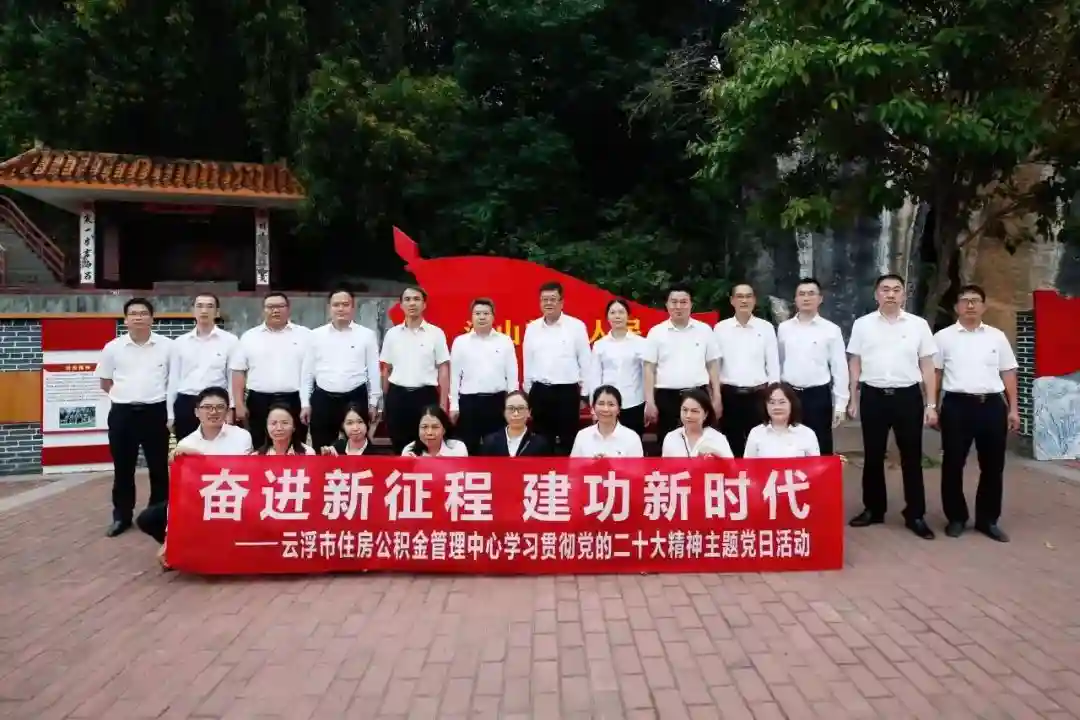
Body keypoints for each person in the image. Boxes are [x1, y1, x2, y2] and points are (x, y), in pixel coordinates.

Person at [847, 273, 938, 540]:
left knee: (912, 456)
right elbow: (855, 362)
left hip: (907, 397)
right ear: (876, 294)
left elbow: (928, 366)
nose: (890, 294)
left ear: (904, 295)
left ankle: (915, 514)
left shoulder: (918, 325)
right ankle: (873, 509)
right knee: (873, 455)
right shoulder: (863, 325)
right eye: (885, 289)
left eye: (896, 289)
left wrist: (931, 404)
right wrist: (853, 397)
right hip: (873, 396)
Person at [933, 284, 1019, 542]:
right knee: (953, 463)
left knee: (993, 466)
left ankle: (987, 520)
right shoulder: (943, 337)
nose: (970, 305)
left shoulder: (997, 337)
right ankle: (956, 517)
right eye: (965, 300)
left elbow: (1008, 373)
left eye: (975, 300)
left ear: (984, 306)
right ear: (956, 307)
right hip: (956, 406)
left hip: (991, 406)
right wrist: (932, 406)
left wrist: (1013, 409)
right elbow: (935, 374)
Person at [138, 386, 252, 568]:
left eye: (219, 407)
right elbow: (180, 492)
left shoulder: (241, 436)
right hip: (197, 501)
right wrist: (169, 539)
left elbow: (238, 472)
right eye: (207, 407)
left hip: (233, 499)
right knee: (148, 518)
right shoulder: (186, 443)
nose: (213, 412)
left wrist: (199, 457)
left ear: (227, 411)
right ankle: (180, 548)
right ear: (197, 412)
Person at [95, 297, 173, 538]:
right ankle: (122, 516)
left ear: (152, 318)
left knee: (158, 468)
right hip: (123, 414)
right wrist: (125, 396)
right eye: (133, 314)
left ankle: (157, 514)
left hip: (156, 412)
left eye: (143, 313)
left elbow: (173, 380)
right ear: (125, 319)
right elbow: (105, 382)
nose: (138, 317)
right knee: (123, 468)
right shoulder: (113, 348)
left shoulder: (168, 347)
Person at [301, 289, 382, 451]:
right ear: (329, 307)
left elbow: (374, 371)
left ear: (353, 307)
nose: (341, 309)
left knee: (358, 445)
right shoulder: (315, 335)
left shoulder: (366, 335)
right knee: (322, 447)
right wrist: (305, 403)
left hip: (355, 396)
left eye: (345, 304)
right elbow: (307, 372)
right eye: (336, 305)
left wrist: (374, 403)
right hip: (323, 397)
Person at [776, 277, 848, 454]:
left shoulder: (831, 330)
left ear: (820, 298)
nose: (806, 298)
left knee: (820, 444)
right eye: (801, 294)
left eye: (811, 293)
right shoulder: (784, 328)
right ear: (795, 299)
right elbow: (778, 361)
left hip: (818, 396)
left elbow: (839, 368)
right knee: (788, 445)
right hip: (789, 394)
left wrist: (840, 404)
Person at [232, 292, 310, 448]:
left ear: (288, 309)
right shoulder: (249, 337)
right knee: (260, 444)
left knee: (296, 445)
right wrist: (238, 404)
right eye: (270, 307)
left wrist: (307, 403)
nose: (275, 310)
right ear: (263, 310)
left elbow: (311, 371)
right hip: (259, 400)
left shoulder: (305, 335)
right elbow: (238, 371)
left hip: (294, 399)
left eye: (280, 306)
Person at [644, 286, 722, 443]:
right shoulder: (656, 332)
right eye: (674, 302)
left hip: (698, 395)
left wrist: (717, 396)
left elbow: (712, 365)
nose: (678, 306)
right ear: (667, 305)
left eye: (683, 302)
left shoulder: (704, 330)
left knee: (701, 441)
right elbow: (649, 369)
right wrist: (649, 401)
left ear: (691, 304)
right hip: (667, 397)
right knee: (668, 442)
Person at [523, 282, 592, 455]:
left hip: (566, 393)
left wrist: (584, 394)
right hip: (540, 392)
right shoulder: (532, 328)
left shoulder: (576, 326)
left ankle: (568, 472)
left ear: (561, 302)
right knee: (541, 442)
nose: (548, 303)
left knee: (569, 440)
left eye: (553, 299)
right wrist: (529, 392)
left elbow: (585, 362)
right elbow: (528, 362)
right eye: (544, 299)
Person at [381, 286, 450, 454]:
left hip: (425, 396)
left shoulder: (436, 333)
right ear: (401, 305)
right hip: (397, 396)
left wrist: (443, 404)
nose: (412, 303)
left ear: (424, 304)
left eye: (417, 299)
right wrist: (384, 400)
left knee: (426, 445)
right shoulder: (392, 334)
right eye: (407, 299)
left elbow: (443, 369)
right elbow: (386, 370)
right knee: (399, 446)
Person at [713, 283, 779, 457]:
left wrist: (773, 397)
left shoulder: (766, 328)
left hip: (758, 395)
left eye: (748, 296)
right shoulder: (720, 329)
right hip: (730, 396)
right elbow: (715, 366)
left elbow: (773, 365)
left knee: (760, 445)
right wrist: (716, 396)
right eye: (740, 296)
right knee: (731, 445)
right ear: (732, 301)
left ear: (754, 300)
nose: (744, 300)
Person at [450, 298, 518, 453]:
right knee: (468, 447)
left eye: (486, 313)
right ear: (471, 317)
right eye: (478, 313)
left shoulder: (504, 341)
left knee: (497, 447)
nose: (482, 317)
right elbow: (455, 376)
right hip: (469, 403)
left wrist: (513, 404)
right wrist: (454, 405)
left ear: (493, 317)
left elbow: (512, 375)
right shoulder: (460, 342)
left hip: (497, 402)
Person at [167, 293, 238, 441]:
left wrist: (231, 409)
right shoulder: (179, 342)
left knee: (218, 448)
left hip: (216, 403)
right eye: (199, 306)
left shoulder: (230, 341)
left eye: (209, 306)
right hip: (186, 403)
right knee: (187, 449)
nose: (204, 310)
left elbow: (232, 378)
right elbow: (173, 379)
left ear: (217, 312)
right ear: (193, 311)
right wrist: (170, 414)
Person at [587, 298, 649, 437]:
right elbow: (595, 377)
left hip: (634, 403)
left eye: (621, 312)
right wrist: (594, 407)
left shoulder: (641, 343)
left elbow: (647, 376)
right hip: (607, 406)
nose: (617, 316)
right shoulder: (600, 345)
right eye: (613, 312)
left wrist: (648, 404)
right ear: (607, 317)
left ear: (628, 316)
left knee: (633, 442)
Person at [744, 382, 821, 458]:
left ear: (792, 404)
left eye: (782, 402)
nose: (777, 407)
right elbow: (747, 464)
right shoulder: (756, 433)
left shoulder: (807, 434)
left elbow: (815, 465)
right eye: (772, 402)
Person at [570, 385, 644, 458]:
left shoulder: (632, 437)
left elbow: (637, 466)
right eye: (601, 404)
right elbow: (573, 465)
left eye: (611, 405)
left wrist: (610, 463)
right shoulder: (582, 435)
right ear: (593, 407)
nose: (605, 409)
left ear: (619, 409)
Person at [660, 388, 734, 458]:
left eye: (694, 411)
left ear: (705, 414)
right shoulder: (671, 437)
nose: (688, 415)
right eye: (685, 410)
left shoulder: (717, 438)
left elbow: (731, 466)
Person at [478, 390, 552, 457]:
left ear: (529, 412)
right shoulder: (490, 442)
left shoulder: (540, 444)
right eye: (511, 408)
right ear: (504, 412)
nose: (516, 414)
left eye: (521, 408)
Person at [402, 405, 469, 457]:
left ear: (444, 430)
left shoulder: (458, 449)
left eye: (435, 427)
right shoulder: (408, 451)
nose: (429, 432)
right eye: (424, 427)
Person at [252, 403, 317, 455]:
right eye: (273, 423)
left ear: (294, 426)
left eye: (285, 423)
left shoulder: (307, 453)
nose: (279, 428)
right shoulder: (257, 456)